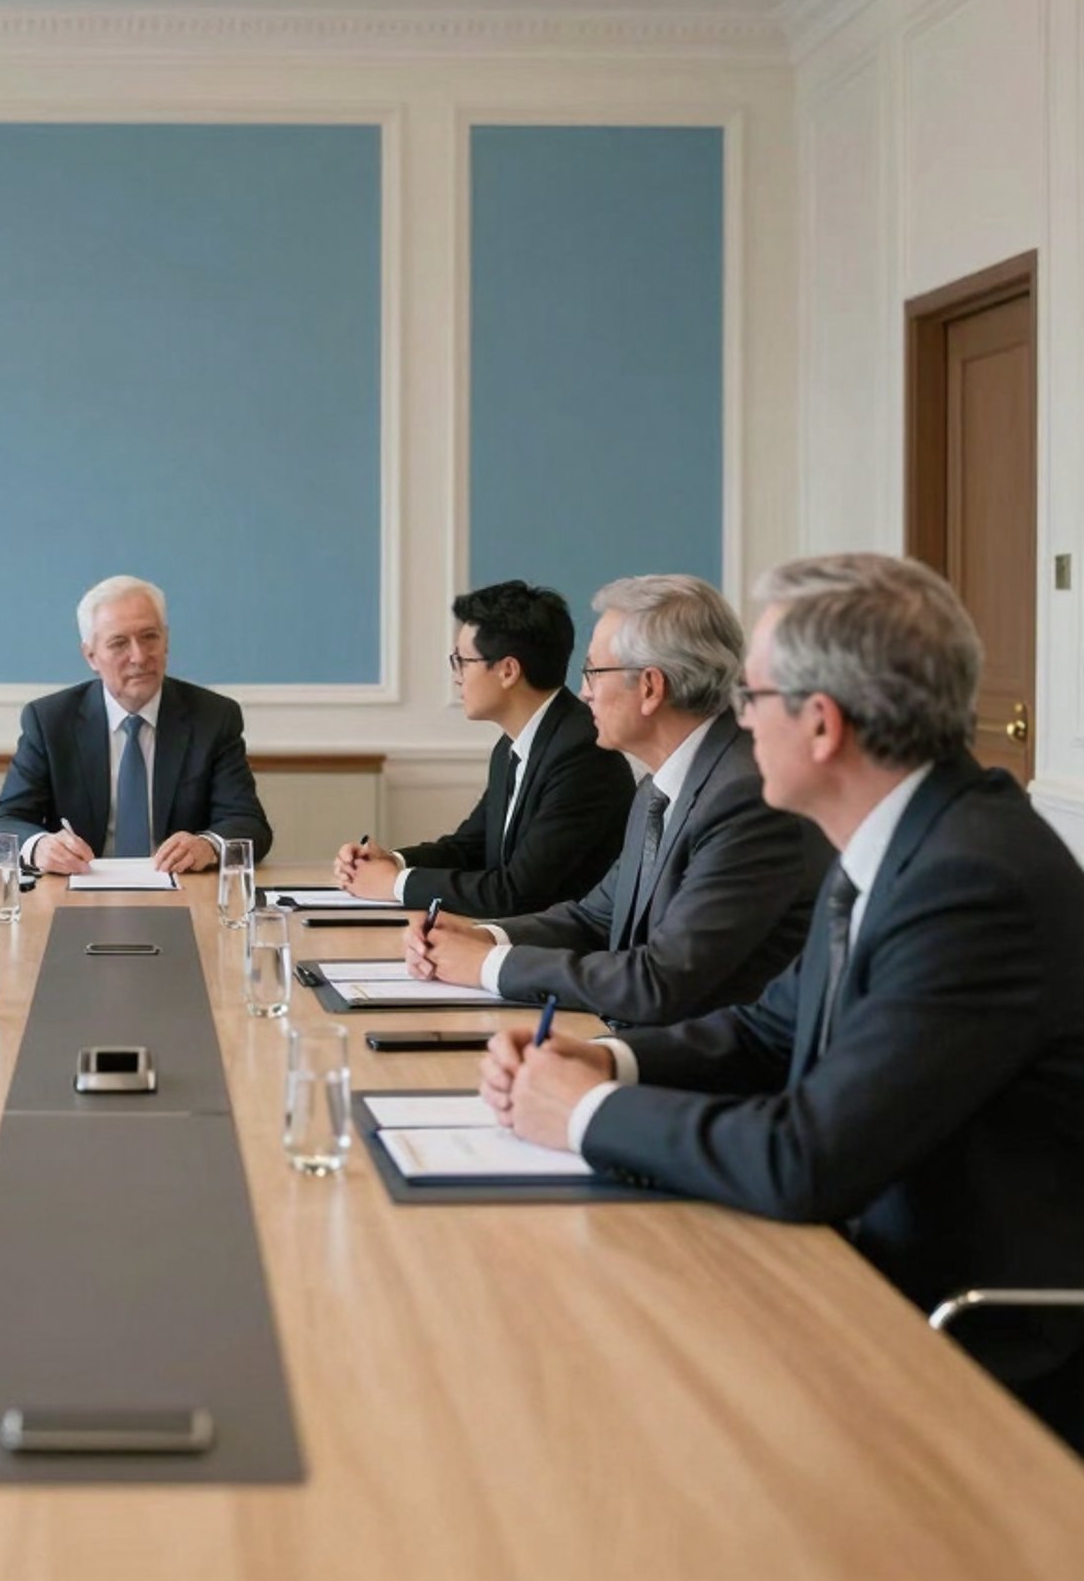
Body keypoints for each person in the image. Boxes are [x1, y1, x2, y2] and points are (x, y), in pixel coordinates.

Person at [483, 554, 1084, 1448]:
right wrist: (606, 1058)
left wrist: (585, 1113)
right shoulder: (904, 837)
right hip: (849, 1275)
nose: (736, 720)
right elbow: (771, 1028)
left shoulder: (972, 882)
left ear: (822, 725)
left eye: (752, 698)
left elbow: (808, 1158)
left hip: (959, 1349)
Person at [405, 574, 828, 1024]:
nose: (583, 691)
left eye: (592, 671)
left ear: (649, 687)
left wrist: (487, 967)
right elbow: (595, 919)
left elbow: (660, 981)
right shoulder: (658, 788)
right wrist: (484, 937)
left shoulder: (745, 798)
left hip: (703, 1071)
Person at [333, 579, 632, 915]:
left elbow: (516, 893)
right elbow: (468, 849)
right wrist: (392, 861)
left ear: (507, 670)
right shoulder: (514, 744)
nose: (457, 676)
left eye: (463, 661)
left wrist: (393, 884)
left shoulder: (582, 754)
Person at [0, 574, 271, 873]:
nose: (139, 656)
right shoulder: (51, 721)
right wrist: (39, 846)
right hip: (78, 895)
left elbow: (249, 824)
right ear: (91, 655)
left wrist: (208, 846)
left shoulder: (213, 717)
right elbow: (2, 826)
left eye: (149, 637)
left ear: (166, 639)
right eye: (119, 643)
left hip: (184, 892)